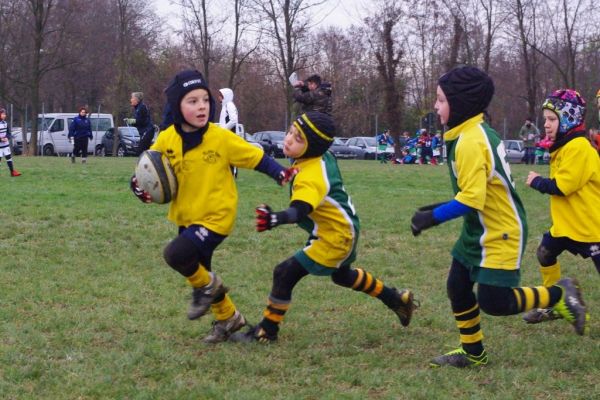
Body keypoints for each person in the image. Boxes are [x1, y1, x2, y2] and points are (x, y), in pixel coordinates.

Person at [410, 66, 588, 368]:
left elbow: (471, 198)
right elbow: (475, 192)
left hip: (500, 230)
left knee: (494, 301)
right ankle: (473, 352)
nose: (436, 106)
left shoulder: (469, 141)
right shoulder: (470, 133)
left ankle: (558, 295)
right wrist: (433, 209)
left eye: (440, 100)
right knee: (457, 285)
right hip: (478, 226)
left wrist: (433, 217)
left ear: (460, 103)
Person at [129, 70, 296, 344]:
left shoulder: (220, 137)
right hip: (186, 217)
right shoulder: (168, 138)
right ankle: (228, 318)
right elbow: (147, 169)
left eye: (205, 100)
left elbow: (255, 157)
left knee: (176, 255)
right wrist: (137, 187)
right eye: (192, 101)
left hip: (217, 217)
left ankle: (209, 291)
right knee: (200, 272)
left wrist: (279, 173)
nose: (201, 106)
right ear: (177, 107)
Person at [229, 111, 417, 343]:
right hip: (342, 226)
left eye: (298, 139)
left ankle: (266, 331)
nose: (288, 139)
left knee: (284, 272)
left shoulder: (311, 176)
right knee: (342, 276)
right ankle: (396, 299)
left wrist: (275, 218)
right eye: (290, 132)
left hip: (335, 236)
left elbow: (299, 210)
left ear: (311, 147)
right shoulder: (321, 154)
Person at [522, 89, 600, 325]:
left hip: (590, 227)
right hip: (566, 226)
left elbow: (564, 186)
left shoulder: (579, 147)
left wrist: (537, 181)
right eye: (545, 119)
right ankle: (555, 303)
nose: (546, 124)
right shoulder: (564, 145)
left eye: (552, 119)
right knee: (545, 253)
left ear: (569, 118)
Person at [0, 108, 21, 176]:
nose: (4, 115)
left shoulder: (6, 123)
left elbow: (9, 133)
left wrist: (7, 138)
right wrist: (1, 139)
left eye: (5, 114)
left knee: (9, 157)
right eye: (3, 114)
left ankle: (12, 172)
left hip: (6, 145)